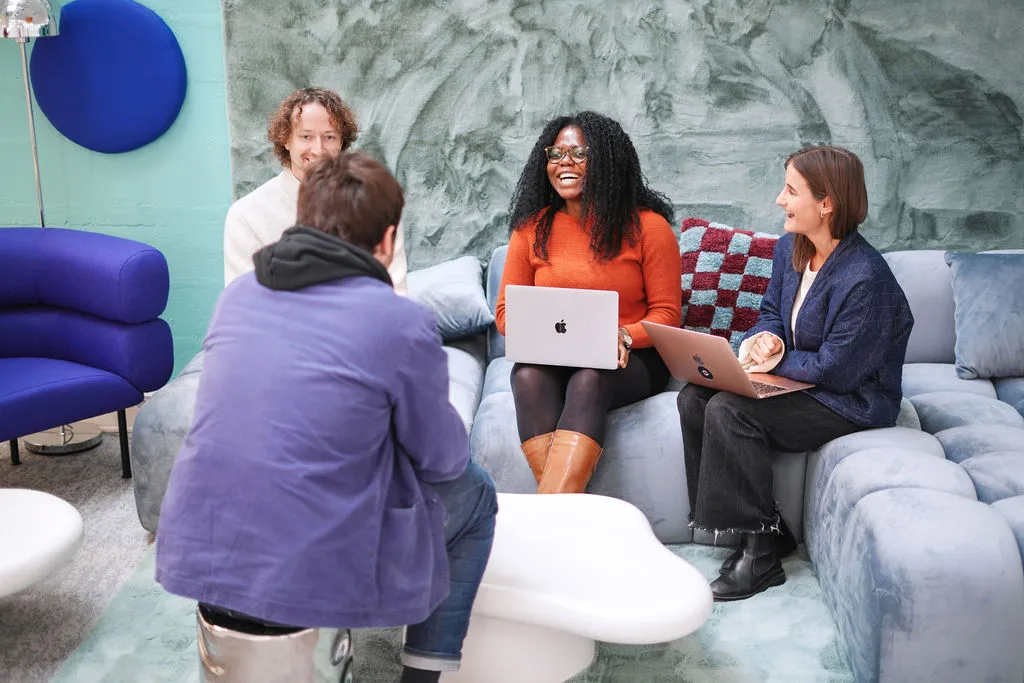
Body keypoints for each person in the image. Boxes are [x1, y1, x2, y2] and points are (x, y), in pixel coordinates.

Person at [156, 151, 497, 683]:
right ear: (386, 241)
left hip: (205, 545)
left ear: (304, 221)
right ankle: (424, 676)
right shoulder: (399, 321)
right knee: (477, 493)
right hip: (308, 564)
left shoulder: (240, 295)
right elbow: (445, 457)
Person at [677, 146, 914, 602]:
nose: (779, 200)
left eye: (790, 191)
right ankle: (769, 529)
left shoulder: (866, 277)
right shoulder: (791, 247)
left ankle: (762, 557)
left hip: (851, 399)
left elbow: (839, 371)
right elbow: (770, 313)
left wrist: (770, 363)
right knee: (695, 395)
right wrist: (768, 339)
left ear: (827, 204)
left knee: (730, 409)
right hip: (804, 380)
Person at [494, 111, 682, 494]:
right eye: (556, 154)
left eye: (579, 153)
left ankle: (546, 519)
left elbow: (667, 314)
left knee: (590, 378)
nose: (565, 162)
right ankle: (563, 519)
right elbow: (504, 313)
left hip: (628, 359)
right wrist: (536, 333)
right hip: (555, 355)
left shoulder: (649, 227)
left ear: (608, 162)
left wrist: (622, 336)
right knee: (526, 376)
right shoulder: (531, 229)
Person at [223, 87, 408, 293]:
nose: (318, 150)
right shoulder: (246, 216)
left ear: (342, 142)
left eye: (329, 137)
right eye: (306, 136)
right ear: (286, 140)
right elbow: (244, 304)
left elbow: (395, 294)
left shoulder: (378, 206)